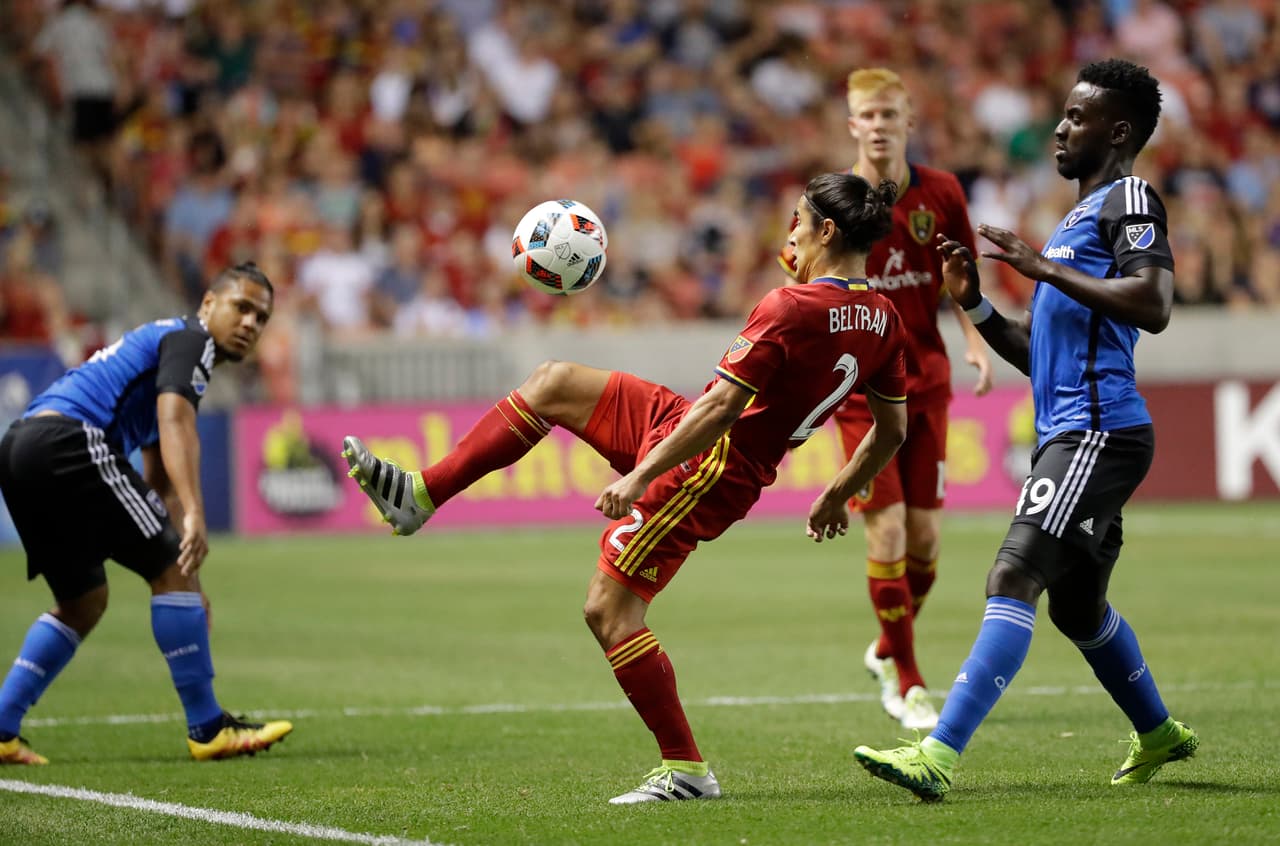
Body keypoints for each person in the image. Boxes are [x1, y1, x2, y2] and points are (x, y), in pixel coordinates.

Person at [343, 173, 911, 804]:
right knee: (553, 382)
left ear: (827, 230)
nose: (789, 234)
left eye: (798, 222)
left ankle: (687, 770)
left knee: (608, 611)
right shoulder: (885, 318)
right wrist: (838, 492)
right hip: (692, 429)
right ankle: (419, 495)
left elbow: (723, 408)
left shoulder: (790, 306)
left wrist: (640, 476)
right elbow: (891, 431)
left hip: (707, 467)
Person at [854, 59, 1195, 801]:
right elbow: (1033, 352)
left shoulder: (1129, 197)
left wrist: (1040, 268)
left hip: (1097, 433)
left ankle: (938, 755)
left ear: (1120, 131)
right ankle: (1160, 732)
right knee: (1078, 608)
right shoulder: (1077, 219)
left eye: (1078, 117)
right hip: (1072, 432)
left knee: (1013, 575)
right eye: (1064, 114)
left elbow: (1153, 300)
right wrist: (974, 306)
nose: (1062, 128)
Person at [0, 262, 293, 765]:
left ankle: (1, 728)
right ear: (207, 305)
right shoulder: (189, 339)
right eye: (241, 307)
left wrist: (190, 585)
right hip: (68, 440)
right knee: (164, 572)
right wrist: (198, 516)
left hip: (23, 448)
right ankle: (209, 728)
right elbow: (174, 418)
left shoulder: (163, 355)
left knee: (83, 601)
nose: (250, 323)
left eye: (261, 318)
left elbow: (157, 490)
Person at [781, 68, 992, 731]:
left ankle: (884, 647)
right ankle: (908, 679)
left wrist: (976, 338)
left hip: (926, 377)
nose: (877, 125)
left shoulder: (943, 193)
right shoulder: (828, 198)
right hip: (857, 381)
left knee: (926, 544)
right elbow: (795, 271)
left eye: (888, 115)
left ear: (908, 122)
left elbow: (958, 275)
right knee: (890, 529)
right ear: (851, 125)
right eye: (866, 115)